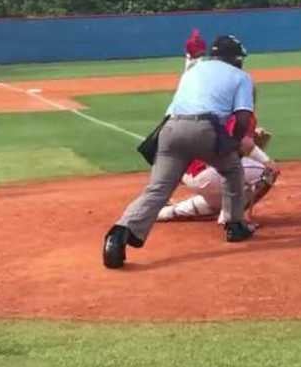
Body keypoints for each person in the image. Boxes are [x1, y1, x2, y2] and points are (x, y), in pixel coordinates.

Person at [102, 35, 257, 269]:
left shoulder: (193, 71)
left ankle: (119, 234)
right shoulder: (241, 77)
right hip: (206, 129)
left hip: (171, 129)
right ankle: (234, 226)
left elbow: (171, 110)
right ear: (235, 58)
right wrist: (234, 143)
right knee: (232, 169)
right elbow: (243, 117)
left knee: (158, 189)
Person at [156, 123, 279, 223]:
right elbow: (245, 144)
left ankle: (163, 212)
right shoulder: (243, 112)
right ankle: (232, 217)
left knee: (217, 201)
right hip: (210, 173)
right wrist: (265, 159)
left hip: (189, 172)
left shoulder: (216, 112)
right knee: (268, 172)